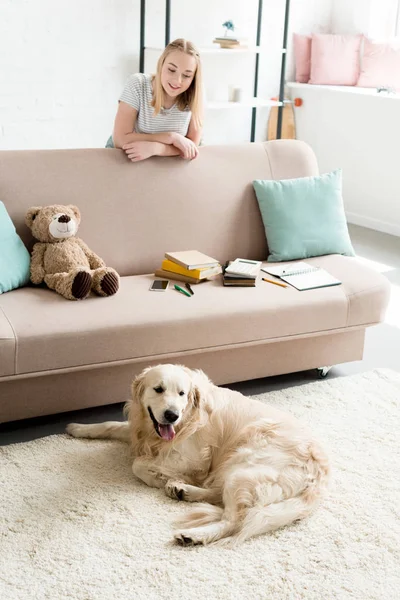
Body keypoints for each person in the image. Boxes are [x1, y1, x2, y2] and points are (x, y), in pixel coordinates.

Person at [106, 38, 203, 162]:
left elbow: (192, 146)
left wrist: (157, 149)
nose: (177, 81)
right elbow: (120, 139)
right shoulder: (138, 84)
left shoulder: (194, 92)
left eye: (187, 75)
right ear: (161, 64)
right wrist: (171, 138)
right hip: (127, 155)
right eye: (171, 70)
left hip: (165, 160)